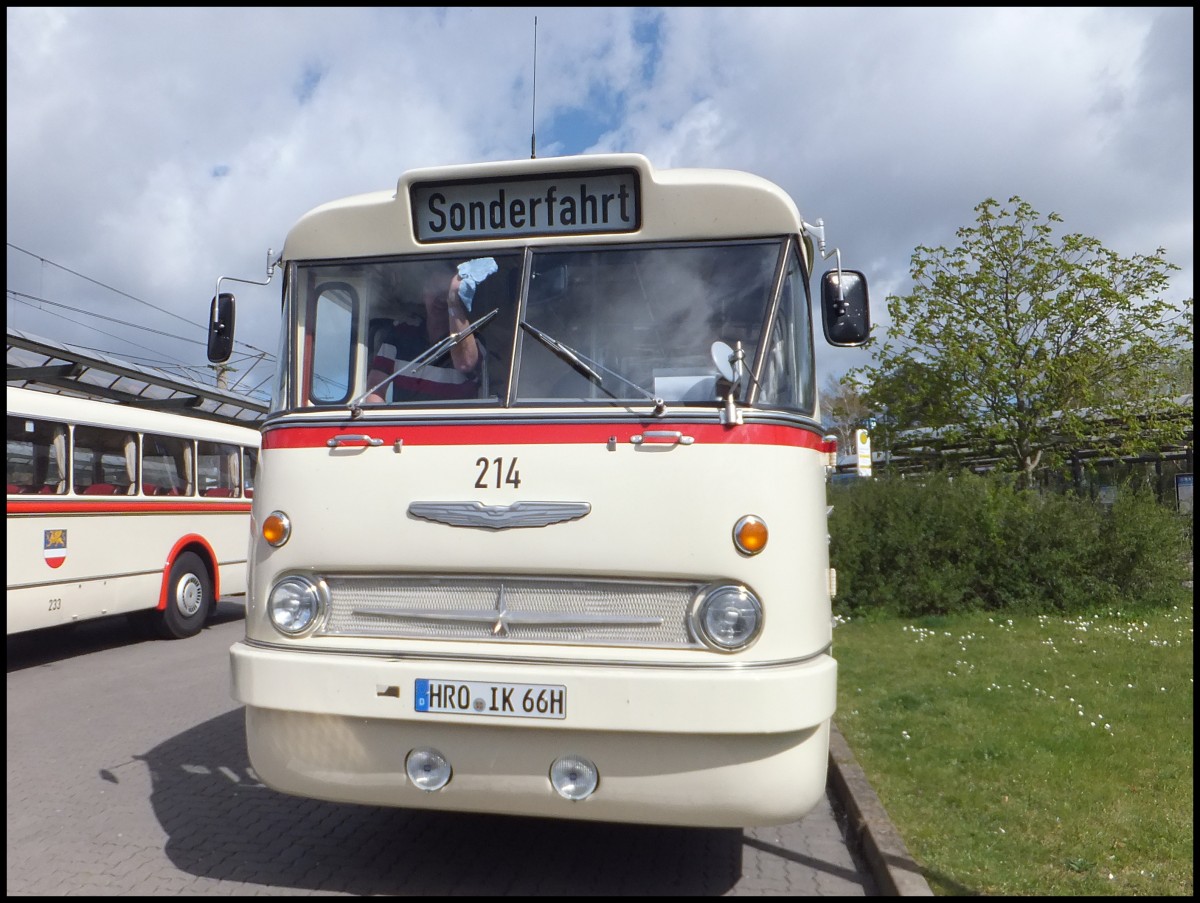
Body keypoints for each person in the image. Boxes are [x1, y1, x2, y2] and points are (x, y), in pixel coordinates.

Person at [365, 264, 484, 403]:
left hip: (453, 423)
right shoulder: (399, 334)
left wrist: (453, 303)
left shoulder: (472, 339)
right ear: (424, 293)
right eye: (435, 290)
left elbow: (465, 364)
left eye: (446, 293)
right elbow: (375, 389)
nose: (440, 299)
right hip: (405, 423)